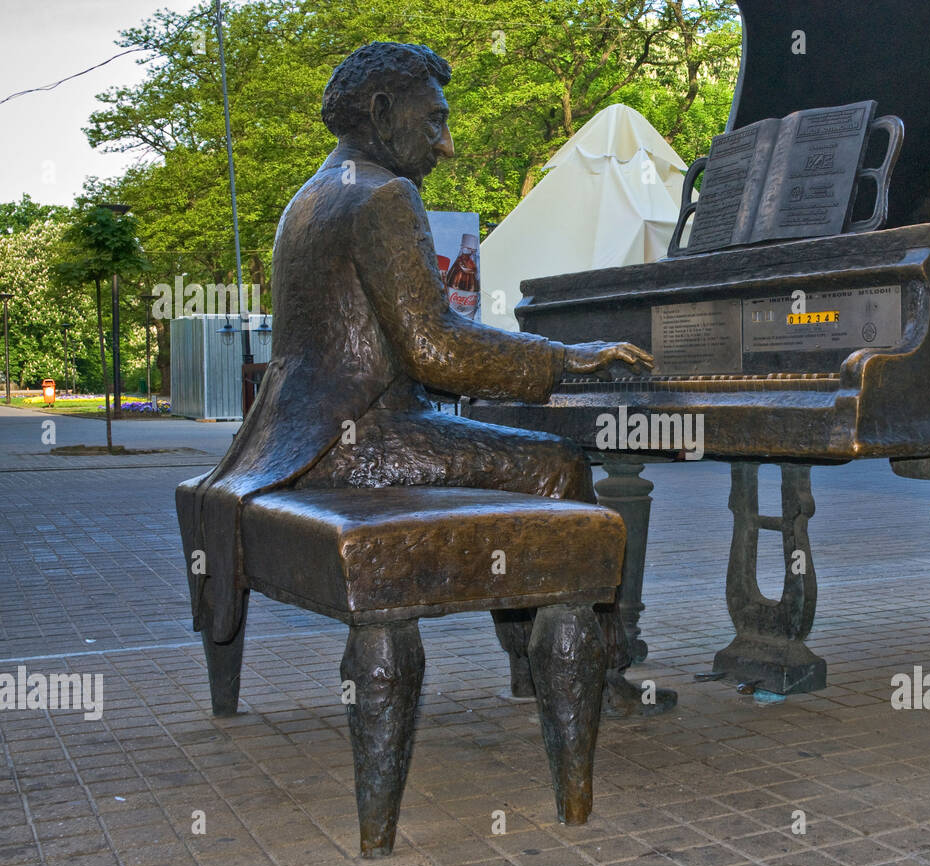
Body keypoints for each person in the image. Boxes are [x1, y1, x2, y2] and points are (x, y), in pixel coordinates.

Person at [179, 42, 660, 712]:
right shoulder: (384, 195)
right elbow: (435, 351)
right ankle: (581, 676)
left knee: (513, 452)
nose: (447, 145)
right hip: (356, 444)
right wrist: (560, 358)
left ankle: (535, 668)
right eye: (434, 121)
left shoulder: (310, 197)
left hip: (294, 441)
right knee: (556, 467)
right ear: (381, 112)